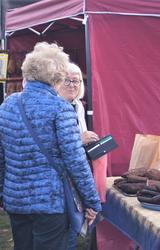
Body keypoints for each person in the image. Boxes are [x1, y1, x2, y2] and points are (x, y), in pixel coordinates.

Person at [0, 42, 101, 250]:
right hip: (51, 202)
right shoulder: (61, 108)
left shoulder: (8, 104)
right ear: (57, 77)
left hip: (17, 201)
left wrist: (3, 192)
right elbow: (75, 161)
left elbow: (2, 157)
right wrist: (92, 201)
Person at [57, 62, 101, 250]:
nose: (72, 85)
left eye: (76, 81)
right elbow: (58, 145)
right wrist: (80, 139)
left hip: (75, 173)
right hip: (60, 179)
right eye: (67, 80)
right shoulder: (56, 107)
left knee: (72, 225)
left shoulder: (77, 106)